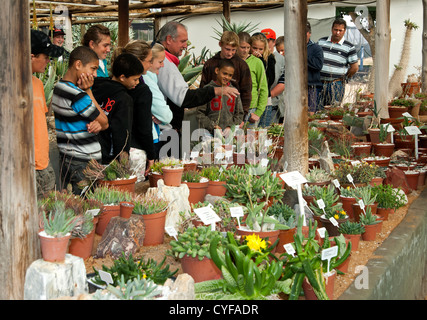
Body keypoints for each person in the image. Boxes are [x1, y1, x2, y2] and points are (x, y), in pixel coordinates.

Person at [156, 21, 239, 135]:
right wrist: (216, 90)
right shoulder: (164, 63)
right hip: (164, 130)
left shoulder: (165, 60)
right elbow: (184, 98)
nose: (186, 45)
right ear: (169, 39)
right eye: (183, 41)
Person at [51, 46, 108, 195]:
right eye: (93, 68)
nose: (95, 74)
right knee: (87, 208)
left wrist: (99, 124)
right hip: (83, 162)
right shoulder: (78, 95)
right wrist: (88, 91)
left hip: (68, 158)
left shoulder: (59, 87)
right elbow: (105, 122)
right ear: (78, 65)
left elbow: (100, 123)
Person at [92, 52, 144, 165]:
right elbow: (122, 132)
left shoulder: (95, 87)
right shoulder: (124, 99)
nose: (138, 82)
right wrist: (122, 161)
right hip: (109, 157)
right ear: (122, 77)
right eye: (135, 79)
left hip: (91, 149)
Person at [31, 29, 64, 198]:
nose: (48, 61)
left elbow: (41, 120)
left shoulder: (37, 84)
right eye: (45, 57)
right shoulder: (8, 86)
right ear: (31, 57)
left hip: (43, 162)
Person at [200, 31, 252, 123]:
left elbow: (246, 92)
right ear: (220, 44)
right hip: (211, 116)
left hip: (233, 115)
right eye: (227, 49)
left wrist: (243, 117)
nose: (230, 53)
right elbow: (202, 89)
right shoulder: (210, 64)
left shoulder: (241, 65)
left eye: (233, 50)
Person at [317, 18, 358, 109]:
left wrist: (344, 77)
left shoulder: (349, 47)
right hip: (319, 83)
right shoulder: (321, 42)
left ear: (344, 31)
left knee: (333, 110)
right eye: (335, 30)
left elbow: (354, 67)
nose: (337, 33)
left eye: (340, 30)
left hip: (336, 85)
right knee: (317, 109)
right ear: (332, 29)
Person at [196, 59, 244, 137]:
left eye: (230, 75)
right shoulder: (207, 89)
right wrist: (213, 126)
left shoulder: (234, 91)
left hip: (228, 134)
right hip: (209, 134)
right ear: (217, 70)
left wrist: (230, 127)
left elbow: (239, 113)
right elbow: (200, 114)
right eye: (224, 73)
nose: (227, 77)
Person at [143, 43, 173, 160]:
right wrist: (160, 116)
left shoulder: (150, 78)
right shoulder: (146, 79)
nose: (162, 65)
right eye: (160, 61)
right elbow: (166, 115)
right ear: (150, 61)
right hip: (149, 138)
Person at [237, 32, 268, 128]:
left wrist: (258, 112)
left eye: (247, 47)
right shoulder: (232, 61)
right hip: (235, 109)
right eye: (242, 47)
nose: (245, 50)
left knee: (251, 140)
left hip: (252, 108)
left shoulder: (257, 62)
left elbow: (263, 88)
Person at [306, 22, 324, 114]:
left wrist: (302, 57)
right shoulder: (292, 46)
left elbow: (318, 65)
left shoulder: (316, 48)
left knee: (310, 114)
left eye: (305, 33)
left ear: (309, 33)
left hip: (311, 87)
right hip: (295, 88)